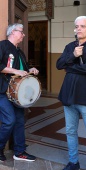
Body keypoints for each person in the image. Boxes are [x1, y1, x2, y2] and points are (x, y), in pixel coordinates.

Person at [56, 16, 86, 170]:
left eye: (82, 26)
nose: (79, 29)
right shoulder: (70, 46)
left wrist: (69, 68)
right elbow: (59, 64)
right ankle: (73, 162)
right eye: (77, 26)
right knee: (70, 131)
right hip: (69, 96)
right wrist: (73, 56)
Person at [0, 23, 39, 162]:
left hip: (16, 94)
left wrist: (31, 70)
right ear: (12, 32)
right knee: (9, 120)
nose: (23, 35)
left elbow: (24, 70)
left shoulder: (20, 52)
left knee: (19, 122)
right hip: (2, 91)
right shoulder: (3, 45)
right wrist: (14, 71)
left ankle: (19, 152)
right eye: (21, 32)